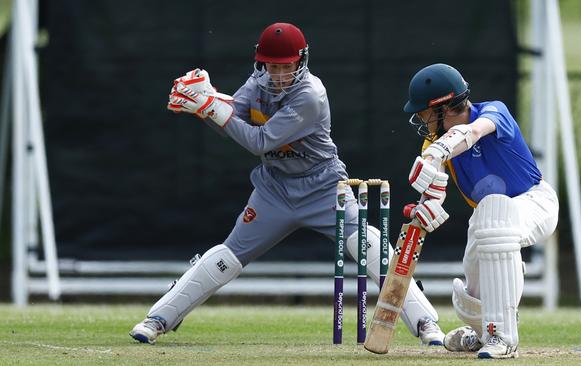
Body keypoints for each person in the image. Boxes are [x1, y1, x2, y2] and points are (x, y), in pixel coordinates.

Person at [130, 22, 445, 346]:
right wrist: (205, 105)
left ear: (301, 61)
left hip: (323, 187)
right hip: (274, 190)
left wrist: (209, 106)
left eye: (286, 67)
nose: (279, 74)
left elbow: (259, 141)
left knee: (367, 245)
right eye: (273, 66)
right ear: (261, 63)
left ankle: (426, 324)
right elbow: (233, 121)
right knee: (228, 258)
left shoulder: (310, 94)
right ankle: (157, 318)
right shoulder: (257, 83)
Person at [403, 64, 559, 359]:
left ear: (444, 107)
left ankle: (503, 337)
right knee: (471, 296)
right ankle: (482, 331)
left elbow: (475, 130)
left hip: (534, 202)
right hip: (487, 221)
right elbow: (434, 190)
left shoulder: (492, 112)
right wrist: (428, 206)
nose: (421, 119)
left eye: (424, 111)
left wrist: (443, 149)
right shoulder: (433, 143)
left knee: (494, 213)